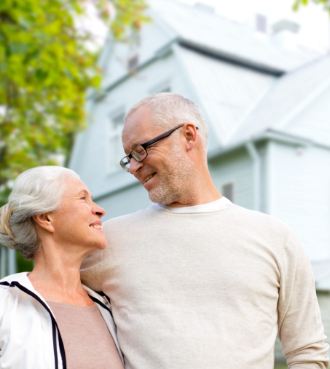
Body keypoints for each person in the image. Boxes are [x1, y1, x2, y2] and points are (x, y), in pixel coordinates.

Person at [81, 93, 329, 369]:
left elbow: (307, 353)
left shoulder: (275, 238)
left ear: (188, 136)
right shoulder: (109, 241)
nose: (134, 167)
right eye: (129, 158)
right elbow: (49, 302)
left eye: (140, 150)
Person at [0, 166, 124, 369]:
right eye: (83, 198)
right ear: (46, 218)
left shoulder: (109, 309)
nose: (100, 210)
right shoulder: (5, 303)